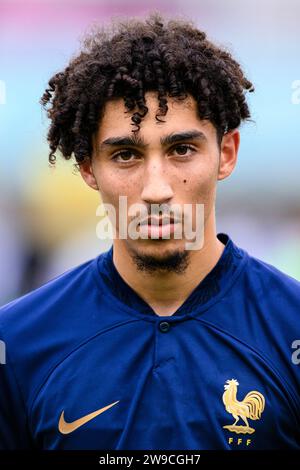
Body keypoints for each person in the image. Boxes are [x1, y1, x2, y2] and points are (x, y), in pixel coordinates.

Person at [0, 11, 299, 450]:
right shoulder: (18, 343)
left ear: (227, 153)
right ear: (87, 168)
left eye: (182, 149)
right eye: (125, 155)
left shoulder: (290, 326)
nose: (156, 189)